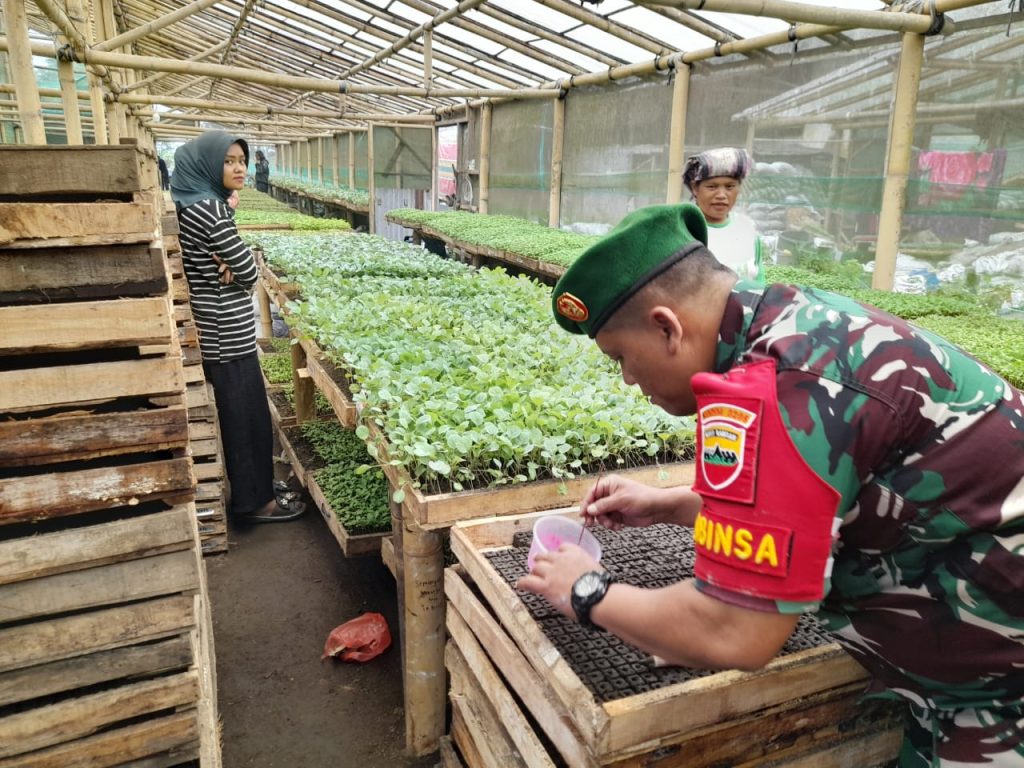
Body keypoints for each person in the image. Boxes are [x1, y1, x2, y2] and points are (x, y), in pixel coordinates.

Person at [518, 203, 1024, 766]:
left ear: (666, 327)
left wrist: (586, 591)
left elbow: (735, 632)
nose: (629, 379)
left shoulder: (776, 387)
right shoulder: (787, 320)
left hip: (1000, 685)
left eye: (621, 357)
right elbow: (829, 494)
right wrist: (674, 505)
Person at [170, 131, 305, 524]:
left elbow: (238, 265)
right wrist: (242, 264)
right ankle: (254, 504)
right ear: (208, 165)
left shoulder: (198, 204)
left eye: (242, 160)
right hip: (225, 334)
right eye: (228, 161)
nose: (239, 168)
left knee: (247, 417)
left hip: (220, 330)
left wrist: (235, 262)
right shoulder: (209, 210)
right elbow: (248, 270)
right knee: (245, 422)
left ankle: (259, 489)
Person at [683, 147, 766, 282]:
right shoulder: (684, 230)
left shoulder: (746, 227)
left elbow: (759, 278)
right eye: (712, 187)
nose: (721, 195)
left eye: (729, 187)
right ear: (695, 188)